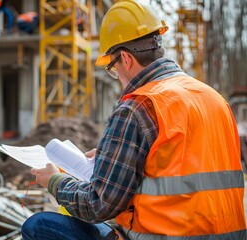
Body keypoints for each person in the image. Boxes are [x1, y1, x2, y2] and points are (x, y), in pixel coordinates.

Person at [21, 0, 247, 239]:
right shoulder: (214, 98)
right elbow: (187, 164)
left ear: (126, 60)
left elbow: (97, 206)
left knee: (38, 226)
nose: (116, 75)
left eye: (113, 68)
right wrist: (123, 155)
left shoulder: (139, 106)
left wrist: (55, 181)